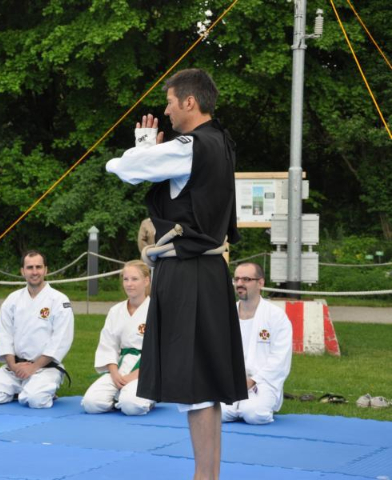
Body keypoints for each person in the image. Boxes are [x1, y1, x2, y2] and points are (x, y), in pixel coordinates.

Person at [106, 68, 247, 480]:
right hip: (206, 269)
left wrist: (143, 145)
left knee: (197, 385)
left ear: (189, 101)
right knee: (204, 385)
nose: (166, 111)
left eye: (169, 102)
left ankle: (204, 477)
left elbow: (122, 168)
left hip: (188, 272)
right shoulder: (221, 142)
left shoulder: (189, 146)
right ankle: (208, 475)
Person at [0, 251, 74, 409]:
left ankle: (35, 390)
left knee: (35, 400)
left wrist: (34, 368)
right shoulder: (12, 300)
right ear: (22, 271)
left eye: (38, 267)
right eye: (30, 268)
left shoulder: (59, 300)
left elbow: (60, 341)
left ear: (46, 270)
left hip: (44, 368)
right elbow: (5, 337)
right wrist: (13, 365)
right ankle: (23, 389)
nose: (34, 272)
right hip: (16, 367)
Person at [81, 260, 155, 416]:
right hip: (120, 368)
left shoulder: (156, 311)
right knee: (91, 403)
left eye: (134, 279)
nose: (129, 284)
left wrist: (134, 376)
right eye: (126, 279)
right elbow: (108, 345)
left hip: (146, 370)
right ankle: (118, 399)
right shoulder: (116, 311)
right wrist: (114, 374)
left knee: (131, 406)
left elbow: (162, 351)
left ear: (146, 281)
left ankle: (147, 399)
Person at [222, 263, 292, 424]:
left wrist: (252, 380)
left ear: (260, 283)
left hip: (263, 382)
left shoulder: (276, 316)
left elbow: (280, 359)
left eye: (246, 279)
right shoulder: (226, 314)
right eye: (237, 279)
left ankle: (245, 405)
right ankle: (237, 405)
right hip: (232, 381)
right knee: (220, 414)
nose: (240, 283)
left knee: (254, 414)